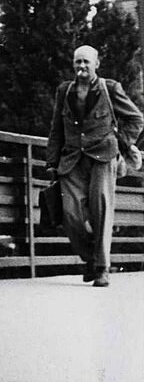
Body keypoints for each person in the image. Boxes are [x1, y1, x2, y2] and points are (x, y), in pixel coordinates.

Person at [46, 44, 142, 288]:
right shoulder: (64, 91)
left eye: (87, 62)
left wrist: (120, 143)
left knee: (101, 210)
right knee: (69, 213)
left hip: (102, 157)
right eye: (78, 62)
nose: (82, 66)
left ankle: (101, 268)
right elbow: (56, 129)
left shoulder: (110, 88)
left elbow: (136, 118)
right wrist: (51, 162)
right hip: (71, 160)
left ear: (97, 64)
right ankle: (92, 259)